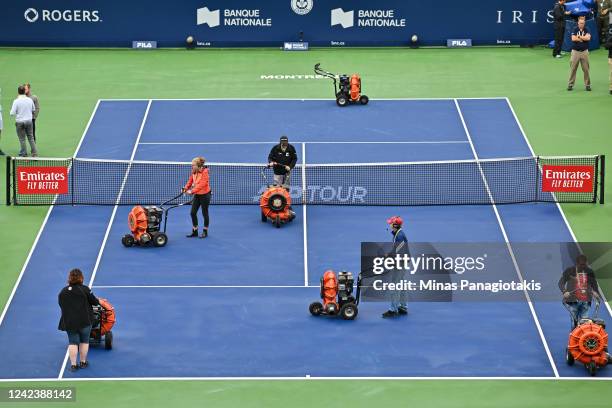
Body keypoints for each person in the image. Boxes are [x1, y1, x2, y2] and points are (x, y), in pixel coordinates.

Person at [58, 268, 100, 372]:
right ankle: (83, 362)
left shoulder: (63, 291)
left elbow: (61, 304)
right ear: (81, 278)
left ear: (69, 278)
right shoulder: (85, 289)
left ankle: (73, 365)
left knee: (72, 342)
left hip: (70, 322)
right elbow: (95, 302)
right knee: (84, 341)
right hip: (85, 321)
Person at [559, 254, 601, 327]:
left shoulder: (590, 272)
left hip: (586, 302)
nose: (583, 266)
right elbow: (561, 282)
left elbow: (594, 285)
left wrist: (596, 293)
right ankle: (574, 337)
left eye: (585, 264)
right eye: (581, 265)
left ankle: (582, 338)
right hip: (573, 301)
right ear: (577, 264)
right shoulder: (569, 271)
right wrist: (564, 291)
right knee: (574, 324)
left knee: (584, 325)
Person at [382, 216, 409, 318]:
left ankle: (393, 310)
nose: (389, 225)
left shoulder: (399, 236)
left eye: (391, 223)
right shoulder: (397, 234)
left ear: (395, 225)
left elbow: (400, 253)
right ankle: (403, 307)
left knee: (395, 285)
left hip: (400, 263)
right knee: (401, 285)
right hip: (401, 262)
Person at [183, 157, 211, 238]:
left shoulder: (205, 172)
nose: (192, 166)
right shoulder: (194, 171)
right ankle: (195, 231)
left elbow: (202, 184)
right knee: (193, 213)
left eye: (193, 165)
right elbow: (190, 181)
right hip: (197, 195)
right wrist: (186, 188)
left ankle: (205, 231)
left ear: (198, 165)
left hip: (205, 195)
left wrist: (192, 191)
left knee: (204, 213)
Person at [9, 85, 37, 157]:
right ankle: (34, 154)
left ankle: (24, 154)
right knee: (31, 138)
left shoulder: (16, 101)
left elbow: (12, 113)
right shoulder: (30, 100)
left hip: (20, 122)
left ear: (18, 92)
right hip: (29, 121)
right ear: (25, 91)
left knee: (22, 139)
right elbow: (33, 109)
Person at [568, 16, 592, 91]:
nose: (581, 24)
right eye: (580, 23)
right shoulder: (575, 29)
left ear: (584, 23)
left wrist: (579, 37)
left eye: (583, 23)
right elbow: (573, 38)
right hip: (575, 52)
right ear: (578, 23)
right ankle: (570, 84)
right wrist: (583, 38)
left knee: (586, 69)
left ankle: (587, 85)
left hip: (584, 52)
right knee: (573, 69)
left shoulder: (587, 29)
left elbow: (588, 38)